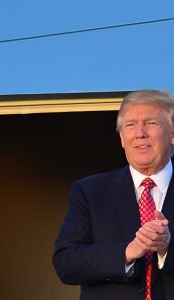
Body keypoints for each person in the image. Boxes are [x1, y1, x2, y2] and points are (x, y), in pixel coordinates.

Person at [53, 89, 174, 300]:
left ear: (172, 134)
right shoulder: (90, 191)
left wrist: (166, 250)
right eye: (130, 125)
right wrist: (128, 252)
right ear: (122, 138)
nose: (140, 133)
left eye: (151, 123)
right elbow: (66, 262)